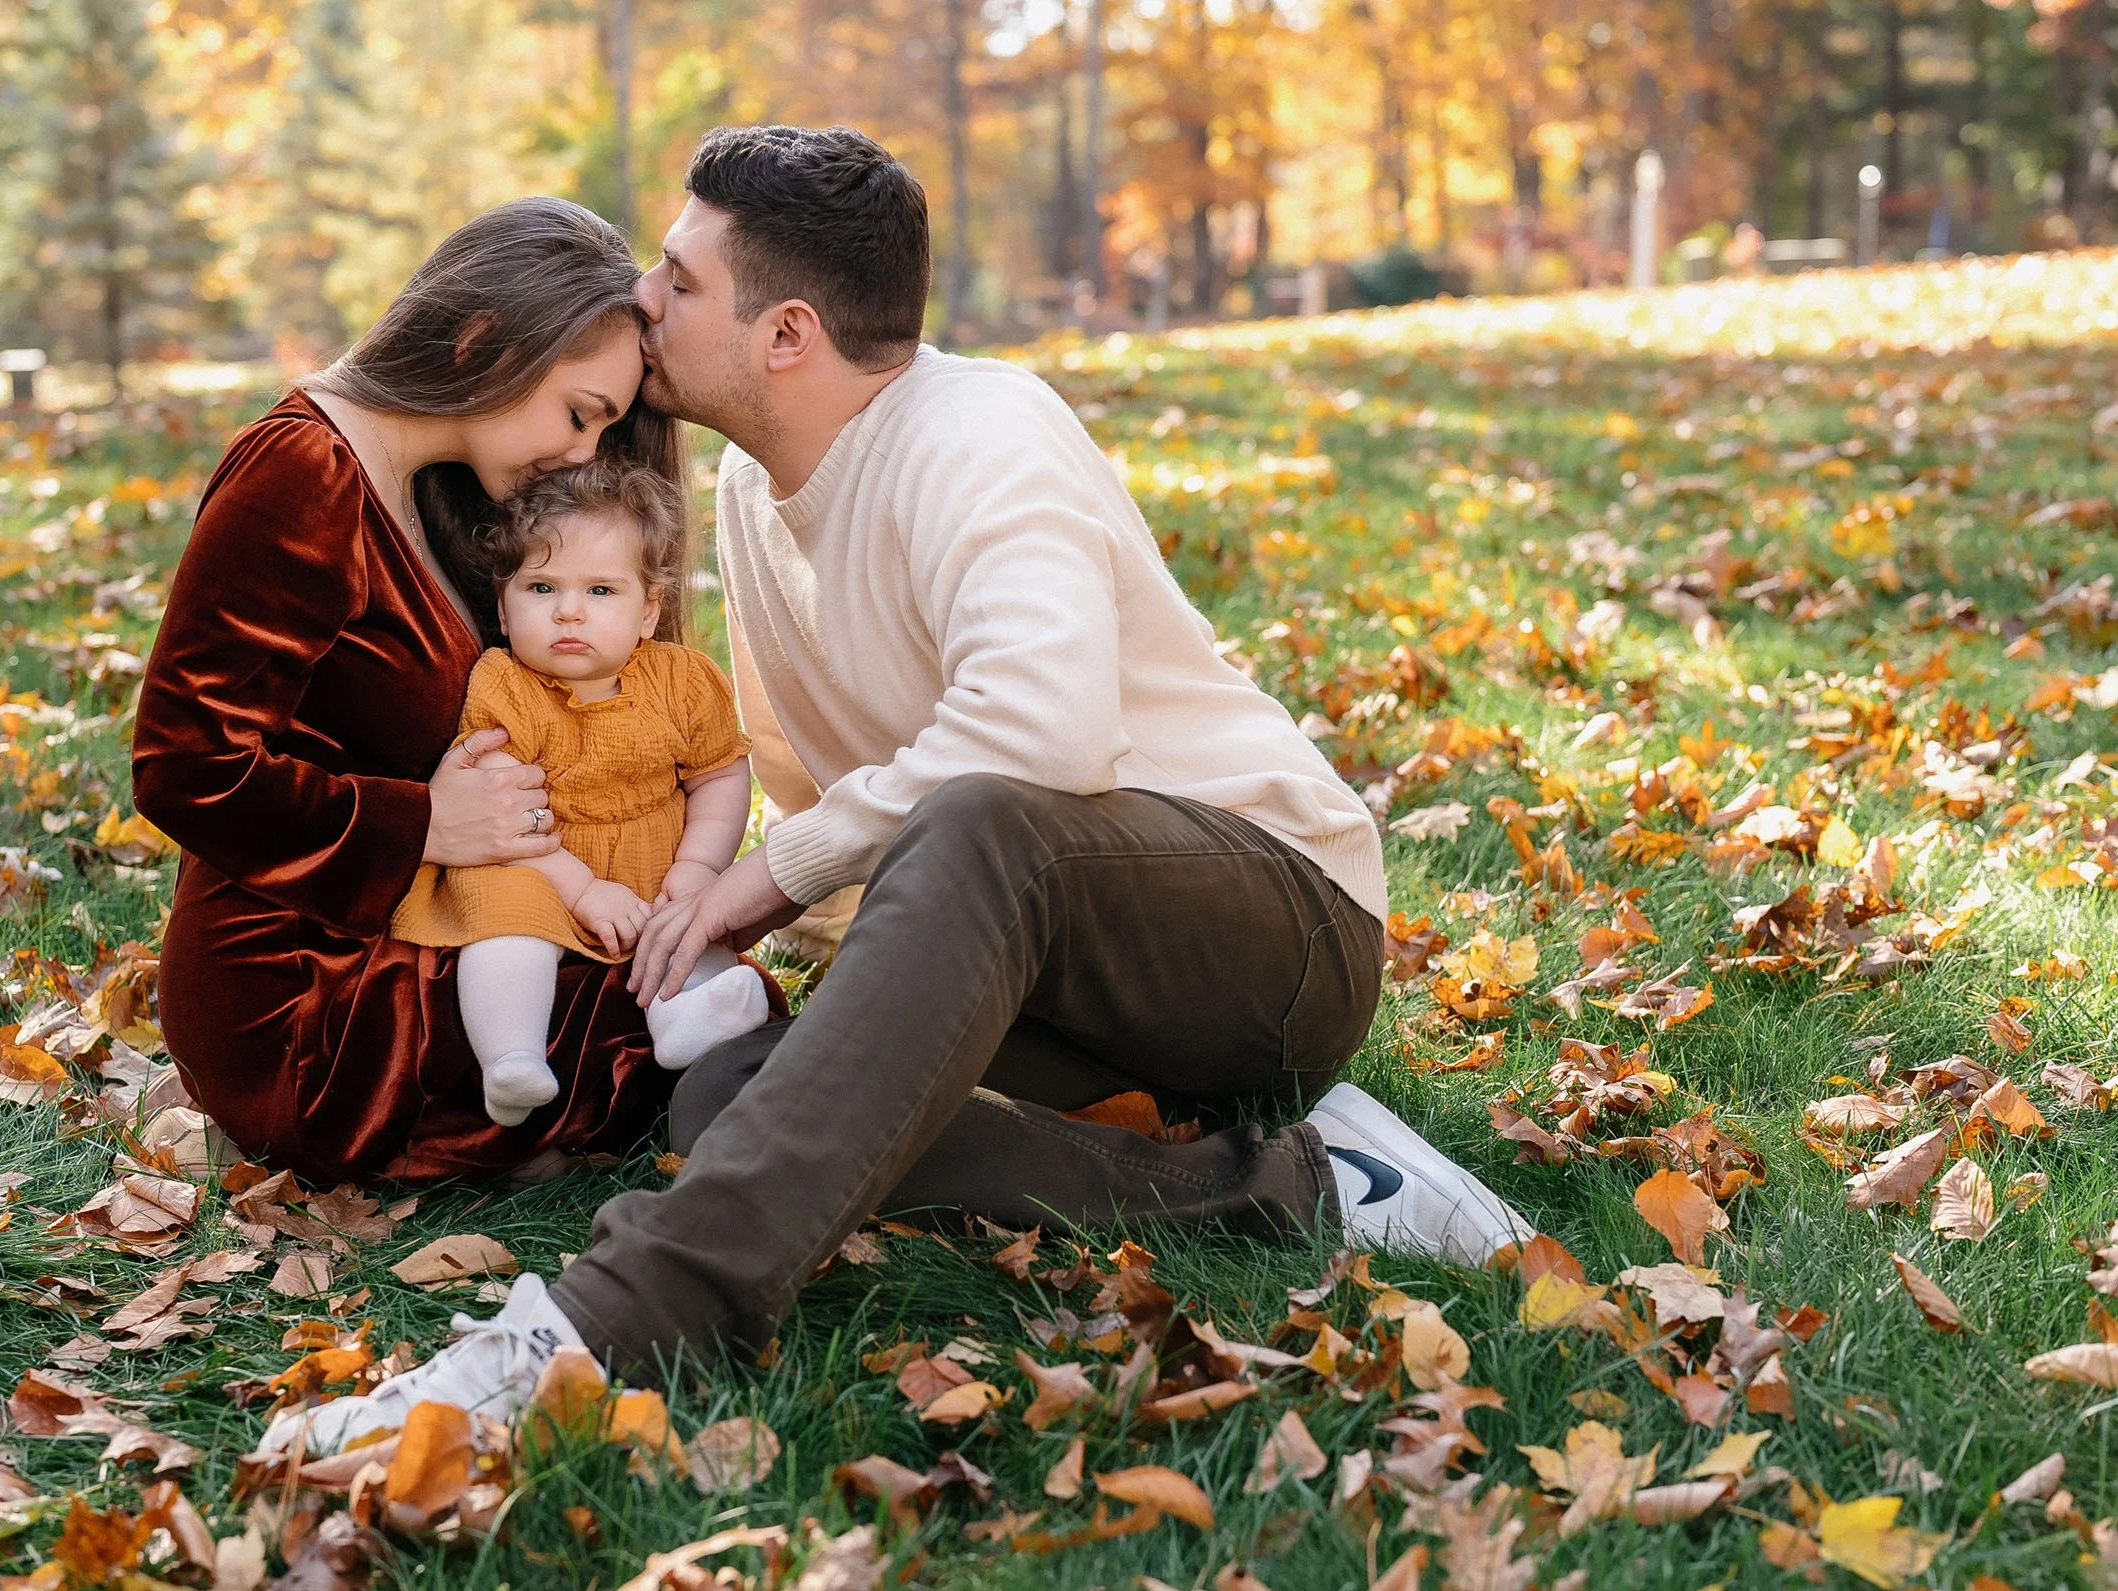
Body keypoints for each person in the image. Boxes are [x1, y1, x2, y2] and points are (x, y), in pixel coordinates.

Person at [259, 128, 1531, 1455]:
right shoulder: (756, 485)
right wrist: (743, 950)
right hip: (1041, 960)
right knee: (738, 1093)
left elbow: (1043, 734)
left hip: (1271, 929)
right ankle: (1311, 1185)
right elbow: (809, 777)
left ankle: (604, 1329)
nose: (644, 297)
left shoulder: (979, 431)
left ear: (788, 332)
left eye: (682, 279)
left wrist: (771, 872)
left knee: (981, 812)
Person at [131, 197, 746, 1185]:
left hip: (430, 921)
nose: (585, 453)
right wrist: (419, 823)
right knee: (672, 1030)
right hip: (302, 984)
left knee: (702, 993)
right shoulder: (299, 472)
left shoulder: (442, 488)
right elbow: (183, 769)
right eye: (579, 413)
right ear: (482, 340)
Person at [390, 459, 775, 1125]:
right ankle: (510, 1057)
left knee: (685, 917)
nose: (569, 611)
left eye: (601, 591)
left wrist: (699, 867)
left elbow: (718, 774)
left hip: (652, 858)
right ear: (504, 610)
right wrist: (580, 887)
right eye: (541, 587)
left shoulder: (684, 680)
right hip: (537, 860)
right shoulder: (503, 686)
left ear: (648, 609)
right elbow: (504, 813)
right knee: (505, 918)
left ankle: (691, 1015)